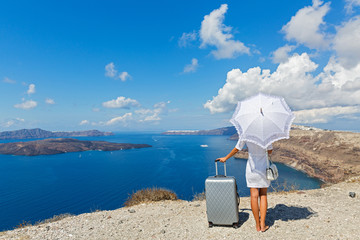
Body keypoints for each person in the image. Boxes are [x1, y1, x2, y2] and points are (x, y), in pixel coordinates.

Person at [216, 139, 272, 232]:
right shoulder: (266, 135)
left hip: (252, 169)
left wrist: (226, 158)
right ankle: (263, 225)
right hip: (263, 168)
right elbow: (269, 152)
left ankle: (257, 225)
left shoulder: (246, 134)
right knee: (263, 195)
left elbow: (236, 149)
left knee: (254, 196)